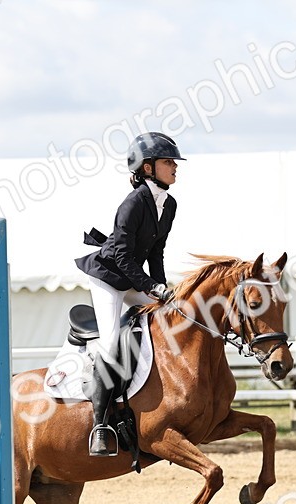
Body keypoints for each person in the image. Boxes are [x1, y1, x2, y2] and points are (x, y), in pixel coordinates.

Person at [74, 131, 183, 457]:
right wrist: (152, 287)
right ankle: (99, 424)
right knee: (109, 346)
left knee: (174, 317)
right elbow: (121, 257)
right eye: (168, 162)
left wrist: (163, 290)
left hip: (135, 279)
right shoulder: (133, 203)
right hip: (108, 279)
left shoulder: (169, 204)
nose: (175, 167)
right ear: (147, 167)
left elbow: (157, 253)